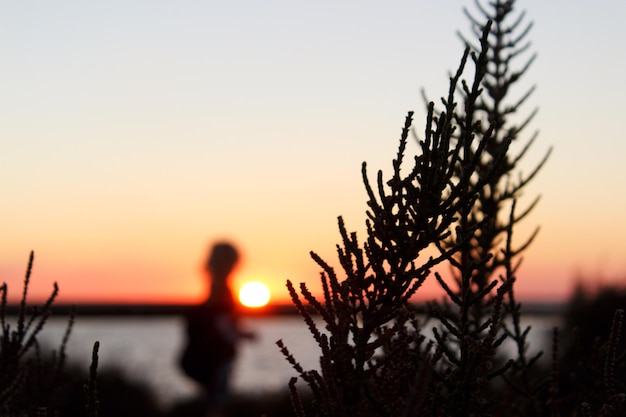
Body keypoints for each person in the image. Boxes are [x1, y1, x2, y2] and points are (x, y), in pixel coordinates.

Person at [180, 242, 255, 416]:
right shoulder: (222, 290)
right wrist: (241, 334)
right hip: (215, 357)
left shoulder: (217, 288)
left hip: (213, 356)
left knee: (215, 399)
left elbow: (220, 320)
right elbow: (220, 322)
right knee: (217, 401)